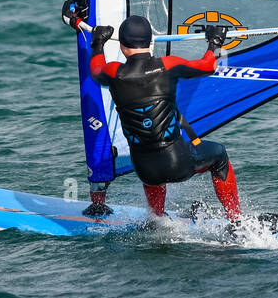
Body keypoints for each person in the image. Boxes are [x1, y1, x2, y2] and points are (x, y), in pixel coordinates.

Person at [86, 14, 242, 226]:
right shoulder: (168, 65)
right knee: (219, 155)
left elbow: (95, 71)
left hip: (144, 169)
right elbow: (208, 66)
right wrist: (214, 42)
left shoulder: (114, 72)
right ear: (150, 43)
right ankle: (236, 220)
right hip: (178, 161)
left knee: (146, 146)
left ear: (122, 46)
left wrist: (97, 43)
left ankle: (157, 218)